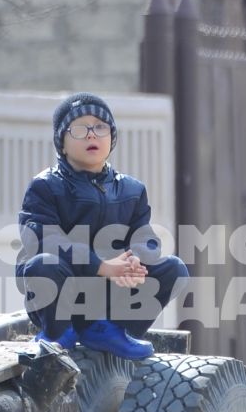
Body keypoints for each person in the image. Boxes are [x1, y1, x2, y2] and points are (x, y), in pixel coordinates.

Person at [16, 93, 188, 361]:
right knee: (42, 263)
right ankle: (58, 334)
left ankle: (111, 331)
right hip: (64, 295)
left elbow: (146, 238)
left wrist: (136, 261)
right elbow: (42, 239)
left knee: (174, 269)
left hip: (111, 292)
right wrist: (101, 265)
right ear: (61, 142)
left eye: (100, 127)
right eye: (79, 129)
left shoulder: (132, 189)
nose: (91, 136)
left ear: (112, 137)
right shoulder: (45, 187)